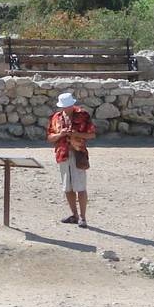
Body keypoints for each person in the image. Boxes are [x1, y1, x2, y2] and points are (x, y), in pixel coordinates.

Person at [46, 91, 96, 227]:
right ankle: (74, 215)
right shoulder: (56, 117)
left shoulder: (83, 115)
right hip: (62, 154)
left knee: (80, 187)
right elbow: (50, 137)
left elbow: (91, 135)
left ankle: (83, 217)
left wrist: (77, 134)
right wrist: (60, 135)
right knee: (67, 188)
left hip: (78, 153)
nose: (65, 109)